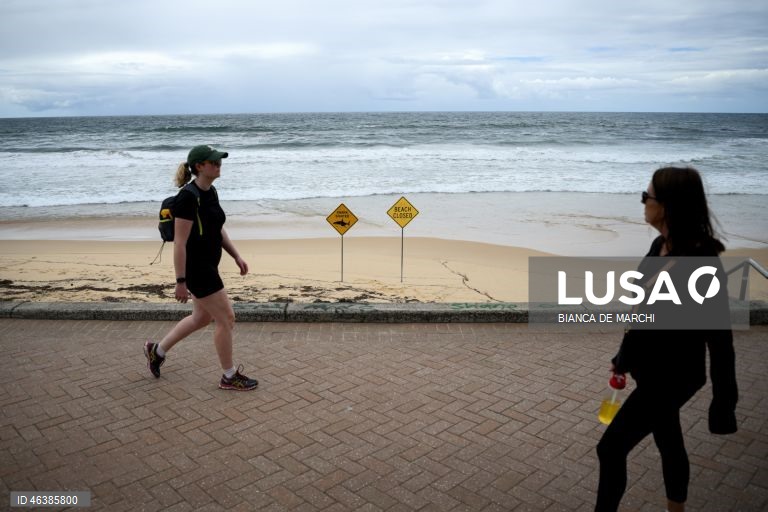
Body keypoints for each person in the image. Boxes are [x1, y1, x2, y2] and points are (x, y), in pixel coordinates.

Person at [595, 167, 738, 512]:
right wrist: (624, 356)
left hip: (674, 378)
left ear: (668, 205)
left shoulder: (701, 260)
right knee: (668, 441)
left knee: (610, 448)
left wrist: (723, 407)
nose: (643, 202)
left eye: (648, 196)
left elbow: (720, 339)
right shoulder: (660, 245)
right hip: (650, 369)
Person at [143, 145, 258, 391]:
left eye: (219, 162)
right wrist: (180, 281)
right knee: (226, 318)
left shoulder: (210, 192)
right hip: (197, 270)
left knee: (200, 318)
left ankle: (157, 351)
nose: (218, 165)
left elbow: (217, 228)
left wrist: (236, 255)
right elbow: (180, 244)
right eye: (213, 162)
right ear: (199, 167)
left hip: (209, 266)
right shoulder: (187, 198)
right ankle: (229, 376)